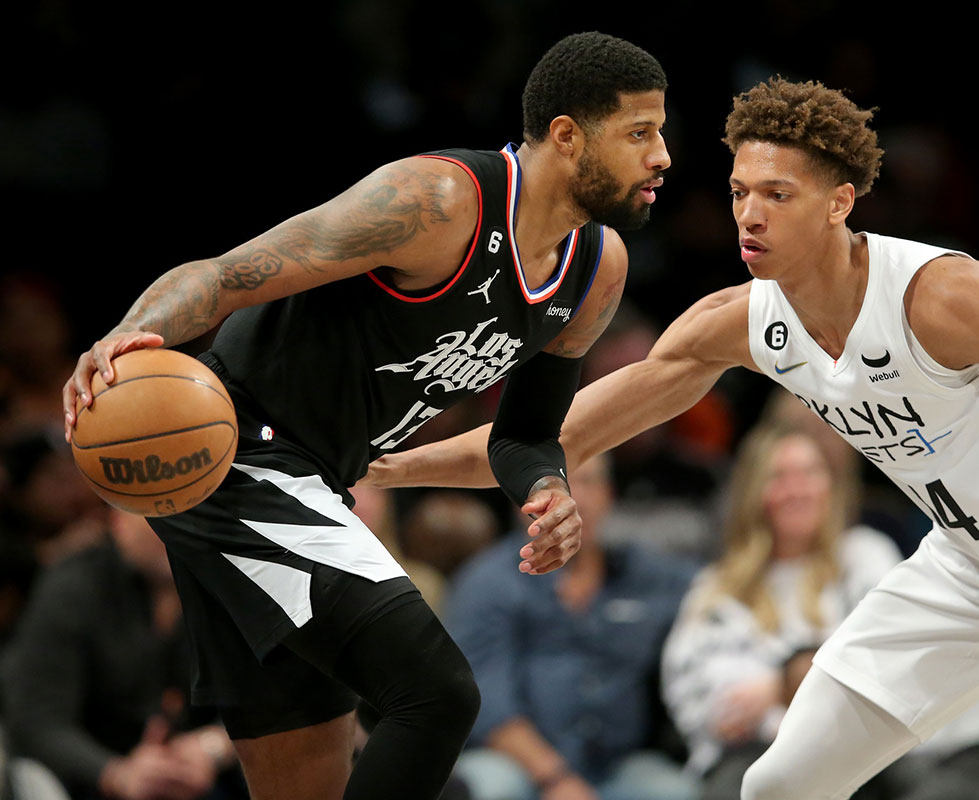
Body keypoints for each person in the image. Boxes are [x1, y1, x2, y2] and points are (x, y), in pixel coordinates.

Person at [367, 78, 979, 800]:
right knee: (778, 784)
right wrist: (376, 464)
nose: (749, 214)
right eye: (738, 192)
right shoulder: (744, 322)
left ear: (840, 202)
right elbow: (557, 438)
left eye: (778, 194)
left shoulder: (942, 298)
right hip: (967, 560)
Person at [61, 32, 671, 800]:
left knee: (309, 782)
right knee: (439, 693)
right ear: (566, 136)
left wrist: (546, 490)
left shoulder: (595, 270)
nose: (663, 156)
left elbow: (525, 435)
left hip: (316, 478)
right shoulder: (439, 203)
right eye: (640, 133)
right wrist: (127, 332)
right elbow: (225, 276)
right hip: (239, 456)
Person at [660, 422, 900, 799]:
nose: (797, 490)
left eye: (809, 473)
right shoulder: (717, 587)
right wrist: (814, 682)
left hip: (860, 760)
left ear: (830, 486)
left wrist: (777, 686)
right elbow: (712, 707)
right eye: (779, 477)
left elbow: (889, 664)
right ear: (754, 491)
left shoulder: (865, 557)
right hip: (748, 763)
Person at [446, 454, 698, 800]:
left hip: (615, 764)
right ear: (526, 502)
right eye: (556, 487)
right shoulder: (488, 582)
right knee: (489, 786)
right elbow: (484, 698)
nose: (572, 501)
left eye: (588, 482)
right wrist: (555, 778)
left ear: (609, 494)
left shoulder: (647, 575)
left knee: (673, 790)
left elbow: (717, 589)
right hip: (517, 763)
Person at [2, 508, 241, 800]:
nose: (178, 529)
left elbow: (268, 693)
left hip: (204, 775)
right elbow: (37, 721)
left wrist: (211, 747)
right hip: (93, 780)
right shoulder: (73, 587)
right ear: (119, 521)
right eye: (160, 516)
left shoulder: (225, 583)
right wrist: (118, 774)